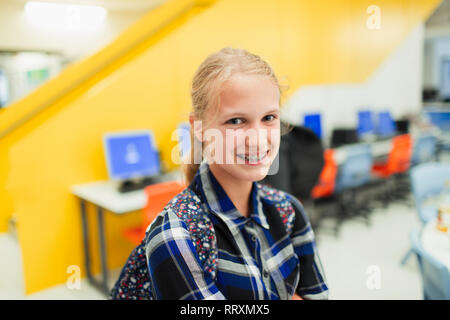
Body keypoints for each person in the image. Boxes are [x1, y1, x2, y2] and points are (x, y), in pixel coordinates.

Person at [112, 47, 328, 300]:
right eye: (236, 121)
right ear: (200, 128)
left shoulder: (289, 211)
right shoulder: (177, 235)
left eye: (269, 117)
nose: (258, 140)